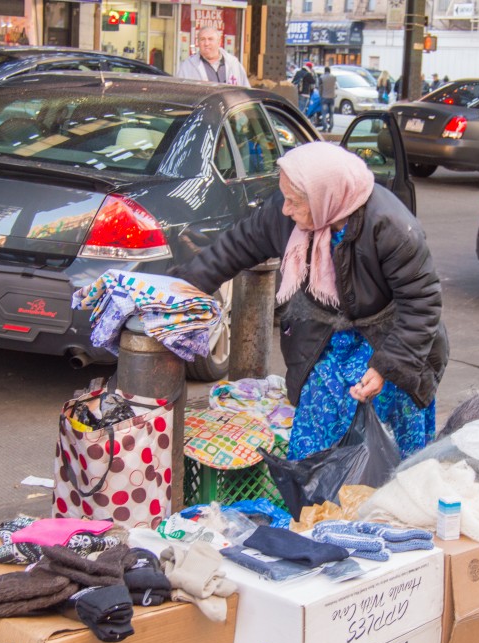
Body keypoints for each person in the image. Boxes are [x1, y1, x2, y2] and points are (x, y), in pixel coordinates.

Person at [171, 142, 449, 461]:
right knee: (318, 423)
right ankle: (316, 503)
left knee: (384, 434)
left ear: (324, 199)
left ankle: (382, 504)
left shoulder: (390, 226)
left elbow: (422, 305)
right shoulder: (290, 212)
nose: (286, 209)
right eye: (286, 199)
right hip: (325, 335)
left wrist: (387, 367)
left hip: (392, 339)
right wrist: (182, 288)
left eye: (294, 202)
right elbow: (235, 247)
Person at [175, 24, 249, 86]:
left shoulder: (233, 64)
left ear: (219, 42)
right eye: (202, 39)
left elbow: (246, 93)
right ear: (198, 42)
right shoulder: (188, 66)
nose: (206, 43)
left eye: (210, 39)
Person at [318, 66, 337, 132]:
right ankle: (331, 127)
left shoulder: (321, 77)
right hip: (332, 97)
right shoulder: (334, 77)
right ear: (329, 71)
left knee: (324, 113)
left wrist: (320, 95)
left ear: (324, 71)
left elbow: (320, 88)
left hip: (324, 97)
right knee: (331, 113)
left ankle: (325, 127)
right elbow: (335, 86)